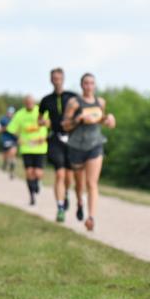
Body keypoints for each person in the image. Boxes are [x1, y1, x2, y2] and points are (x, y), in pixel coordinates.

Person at [62, 73, 116, 231]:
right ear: (81, 85)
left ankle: (91, 217)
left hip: (95, 145)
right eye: (86, 83)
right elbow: (65, 125)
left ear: (95, 85)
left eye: (92, 83)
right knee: (79, 184)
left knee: (91, 183)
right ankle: (79, 201)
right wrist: (77, 120)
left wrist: (108, 119)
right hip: (76, 146)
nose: (89, 86)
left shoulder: (100, 102)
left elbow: (100, 120)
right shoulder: (74, 103)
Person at [40, 68, 81, 223]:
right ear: (51, 80)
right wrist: (43, 122)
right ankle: (60, 207)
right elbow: (39, 119)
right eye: (54, 78)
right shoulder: (46, 100)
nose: (56, 80)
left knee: (69, 178)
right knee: (59, 174)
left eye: (59, 78)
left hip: (71, 140)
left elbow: (80, 115)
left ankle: (66, 194)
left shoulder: (72, 97)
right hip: (55, 139)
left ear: (63, 79)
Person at [5, 96, 48, 205]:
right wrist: (18, 137)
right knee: (29, 172)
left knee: (38, 173)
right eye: (27, 103)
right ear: (24, 103)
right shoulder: (20, 114)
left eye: (31, 102)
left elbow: (49, 122)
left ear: (34, 102)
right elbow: (11, 128)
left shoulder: (41, 111)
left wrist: (45, 134)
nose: (29, 104)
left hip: (40, 148)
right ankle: (32, 195)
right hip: (26, 148)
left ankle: (37, 182)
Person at [0, 106, 18, 179]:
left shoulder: (16, 120)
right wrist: (5, 128)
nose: (10, 114)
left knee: (12, 155)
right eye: (9, 113)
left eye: (12, 113)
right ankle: (5, 163)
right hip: (5, 140)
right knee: (6, 156)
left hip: (13, 140)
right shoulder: (3, 119)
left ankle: (12, 172)